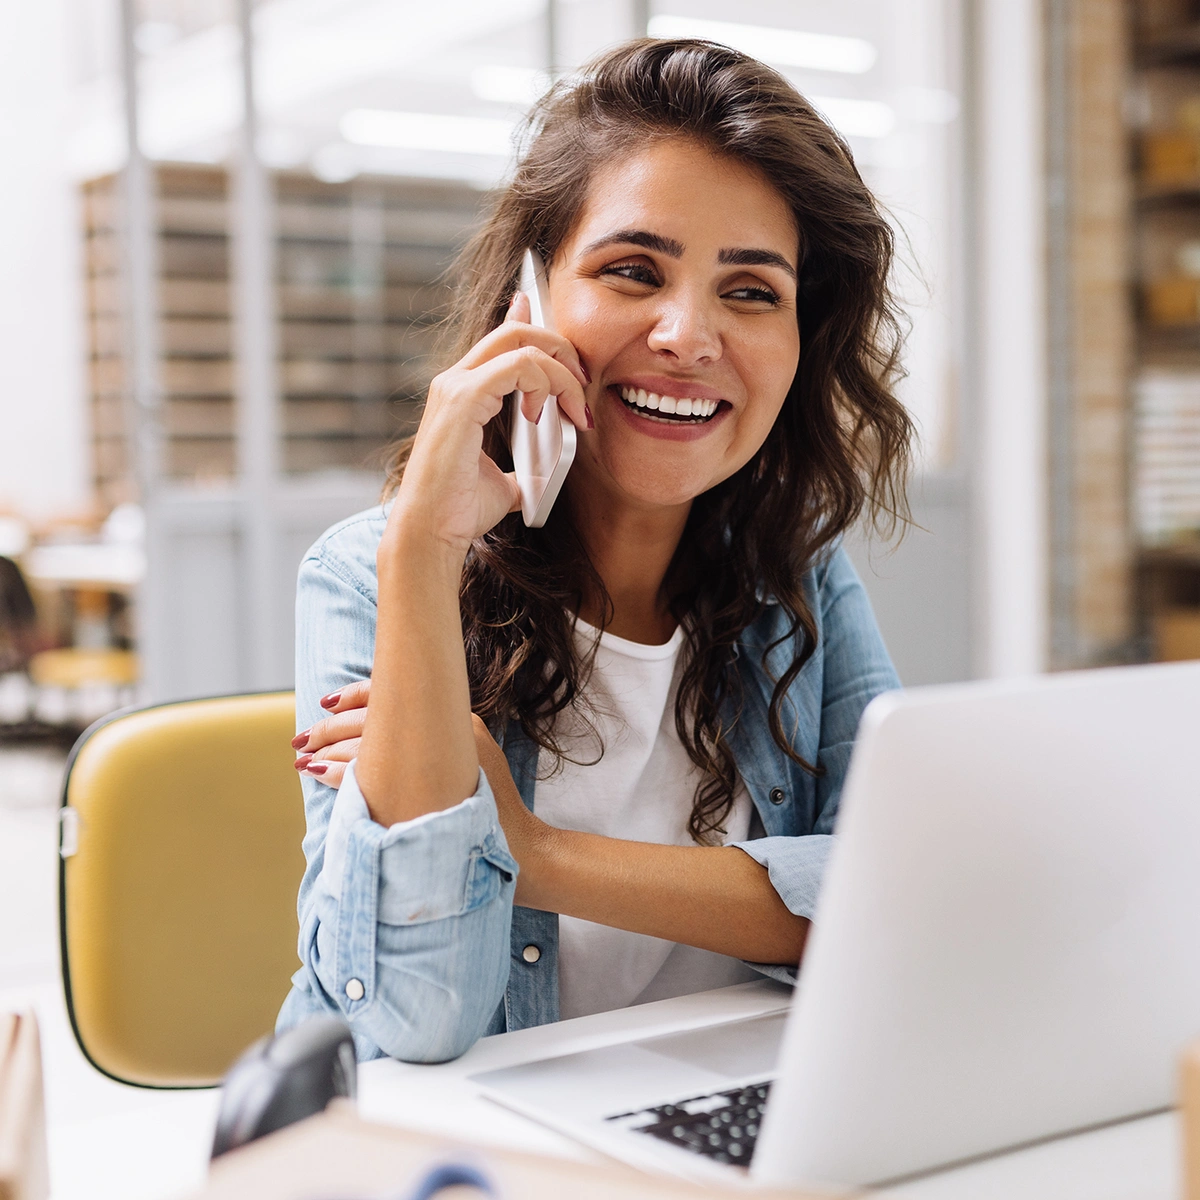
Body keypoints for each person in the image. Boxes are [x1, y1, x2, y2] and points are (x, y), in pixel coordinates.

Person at [278, 37, 912, 1063]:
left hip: (703, 1115)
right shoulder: (373, 571)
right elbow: (412, 1019)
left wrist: (532, 851)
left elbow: (886, 901)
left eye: (751, 291)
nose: (687, 335)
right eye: (631, 271)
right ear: (526, 305)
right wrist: (423, 551)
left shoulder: (794, 576)